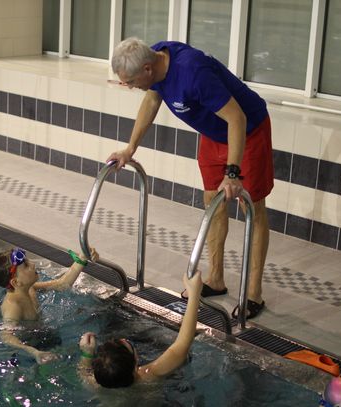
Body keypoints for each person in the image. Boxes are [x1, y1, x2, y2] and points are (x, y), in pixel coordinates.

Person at [108, 38, 273, 319]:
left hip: (247, 131)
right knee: (213, 202)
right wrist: (130, 148)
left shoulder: (192, 72)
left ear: (147, 69)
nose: (131, 86)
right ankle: (216, 279)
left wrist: (233, 173)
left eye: (131, 81)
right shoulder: (157, 57)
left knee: (252, 209)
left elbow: (237, 119)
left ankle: (254, 293)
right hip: (213, 135)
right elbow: (152, 99)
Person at [78, 270, 203, 388]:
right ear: (136, 361)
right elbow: (181, 346)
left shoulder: (97, 384)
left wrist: (87, 353)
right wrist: (194, 294)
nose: (121, 339)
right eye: (129, 345)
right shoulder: (149, 375)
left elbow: (83, 374)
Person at [0, 246, 99, 364]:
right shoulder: (14, 306)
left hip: (44, 335)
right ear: (16, 282)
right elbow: (5, 336)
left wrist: (81, 260)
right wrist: (34, 352)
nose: (32, 264)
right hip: (30, 347)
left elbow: (62, 284)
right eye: (26, 265)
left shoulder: (30, 289)